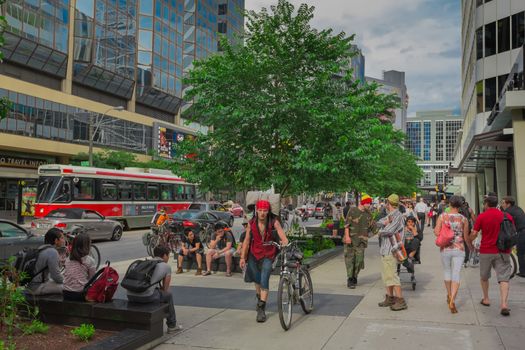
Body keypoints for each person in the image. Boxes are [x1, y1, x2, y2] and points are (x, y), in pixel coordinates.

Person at [239, 200, 288, 323]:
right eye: (260, 210)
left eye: (264, 211)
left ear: (268, 211)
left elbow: (282, 234)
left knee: (264, 278)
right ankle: (259, 298)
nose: (262, 213)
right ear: (256, 210)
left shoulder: (273, 222)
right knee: (257, 279)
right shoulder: (252, 223)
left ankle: (261, 309)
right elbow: (246, 240)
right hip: (254, 254)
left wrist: (284, 241)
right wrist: (242, 257)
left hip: (268, 254)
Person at [468, 196, 514, 316]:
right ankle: (504, 304)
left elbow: (474, 233)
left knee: (484, 276)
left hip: (486, 250)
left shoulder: (482, 216)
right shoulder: (506, 216)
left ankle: (486, 298)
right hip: (503, 251)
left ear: (487, 204)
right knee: (504, 278)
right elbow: (512, 232)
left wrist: (468, 240)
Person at [127, 245, 181, 333]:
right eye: (168, 256)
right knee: (168, 295)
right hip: (146, 297)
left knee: (156, 292)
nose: (168, 258)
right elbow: (165, 289)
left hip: (130, 295)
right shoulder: (165, 266)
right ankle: (172, 325)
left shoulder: (144, 263)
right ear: (164, 255)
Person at [434, 196, 469, 313]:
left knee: (447, 271)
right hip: (459, 249)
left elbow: (436, 232)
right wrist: (471, 247)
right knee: (456, 273)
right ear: (460, 206)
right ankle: (453, 300)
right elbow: (466, 237)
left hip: (445, 249)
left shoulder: (442, 216)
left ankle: (449, 295)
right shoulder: (464, 219)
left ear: (449, 204)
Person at [376, 194, 407, 311]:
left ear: (389, 203)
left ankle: (400, 300)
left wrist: (379, 231)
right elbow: (379, 222)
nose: (385, 204)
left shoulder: (397, 216)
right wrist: (381, 225)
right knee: (386, 275)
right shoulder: (390, 215)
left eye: (386, 202)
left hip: (391, 249)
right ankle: (390, 297)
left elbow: (388, 230)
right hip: (385, 249)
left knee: (392, 276)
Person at [343, 195, 373, 289]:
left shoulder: (369, 214)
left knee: (359, 260)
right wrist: (347, 237)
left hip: (361, 242)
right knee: (350, 260)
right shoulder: (352, 211)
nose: (369, 205)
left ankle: (355, 275)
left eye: (370, 203)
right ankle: (350, 279)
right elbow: (346, 225)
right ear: (363, 202)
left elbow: (374, 227)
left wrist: (386, 223)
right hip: (351, 240)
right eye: (368, 203)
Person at [27, 228, 65, 295]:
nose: (63, 240)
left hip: (31, 285)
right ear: (56, 240)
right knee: (69, 287)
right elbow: (56, 277)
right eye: (62, 238)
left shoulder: (42, 248)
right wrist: (66, 281)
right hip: (37, 287)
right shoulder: (52, 252)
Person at [62, 233, 96, 301]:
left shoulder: (68, 259)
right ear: (87, 245)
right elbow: (92, 279)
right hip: (80, 294)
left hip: (65, 293)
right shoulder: (89, 260)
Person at [500, 196, 525, 277]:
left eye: (503, 203)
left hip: (522, 232)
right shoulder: (518, 208)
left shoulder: (508, 211)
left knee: (520, 252)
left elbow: (505, 224)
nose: (502, 204)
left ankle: (523, 271)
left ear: (508, 204)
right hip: (522, 231)